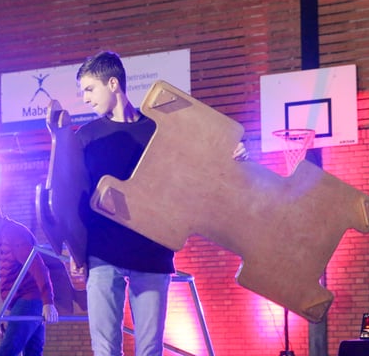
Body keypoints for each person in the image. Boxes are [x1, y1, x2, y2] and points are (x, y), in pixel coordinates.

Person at [75, 50, 248, 356]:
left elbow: (198, 169)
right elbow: (76, 195)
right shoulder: (87, 136)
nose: (85, 99)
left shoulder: (158, 129)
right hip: (102, 254)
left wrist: (232, 156)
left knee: (150, 349)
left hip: (152, 252)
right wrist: (75, 249)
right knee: (105, 350)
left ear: (113, 83)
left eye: (89, 89)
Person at [0, 200, 59, 356]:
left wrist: (48, 302)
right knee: (33, 351)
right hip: (27, 300)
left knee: (7, 351)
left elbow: (37, 266)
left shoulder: (12, 233)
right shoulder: (1, 236)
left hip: (28, 299)